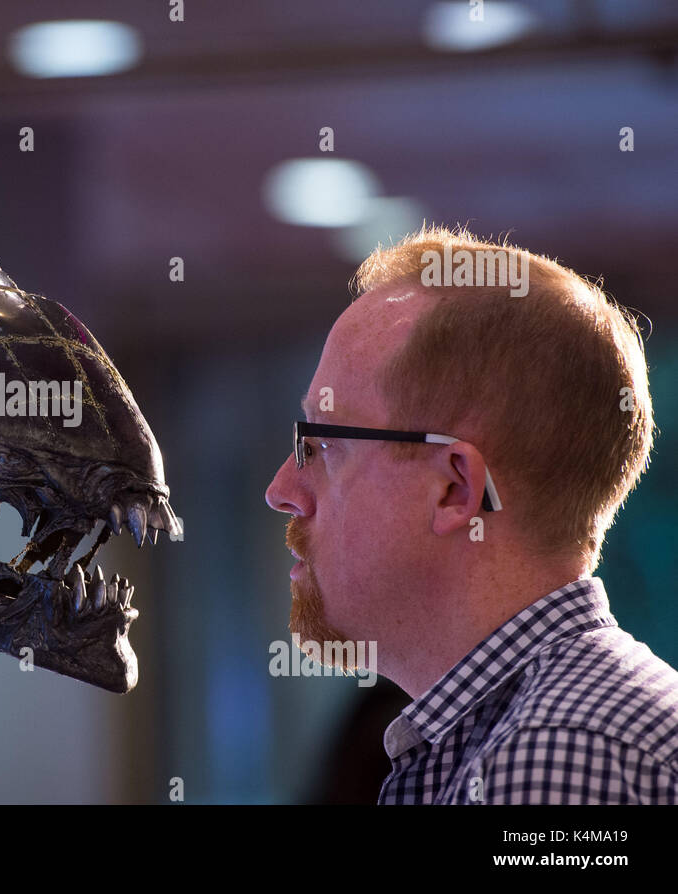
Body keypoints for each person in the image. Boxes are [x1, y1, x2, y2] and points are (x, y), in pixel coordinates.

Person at [264, 226, 678, 804]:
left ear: (457, 489)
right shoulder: (532, 735)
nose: (282, 490)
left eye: (323, 444)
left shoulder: (555, 755)